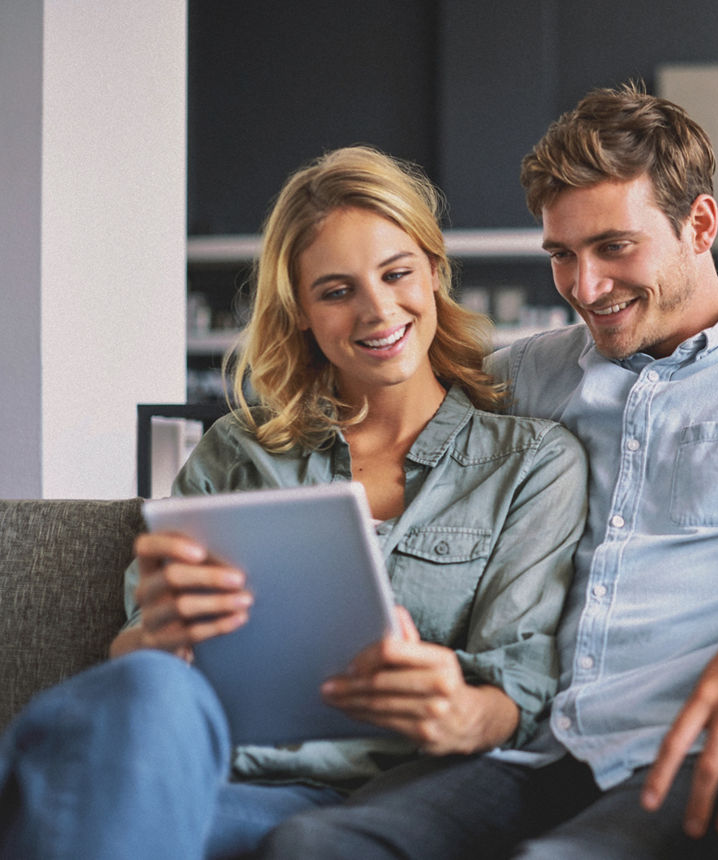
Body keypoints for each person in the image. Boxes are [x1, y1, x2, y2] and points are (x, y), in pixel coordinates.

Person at [258, 85, 718, 859]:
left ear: (700, 225)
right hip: (533, 750)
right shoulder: (527, 375)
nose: (585, 288)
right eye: (562, 255)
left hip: (696, 755)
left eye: (614, 247)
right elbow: (373, 402)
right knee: (310, 845)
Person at [0, 146, 587, 860]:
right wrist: (156, 639)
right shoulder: (237, 452)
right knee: (147, 691)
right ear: (303, 312)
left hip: (378, 796)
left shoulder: (530, 462)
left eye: (397, 273)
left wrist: (460, 711)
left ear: (433, 273)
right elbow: (137, 658)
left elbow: (521, 688)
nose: (377, 309)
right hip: (199, 776)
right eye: (336, 291)